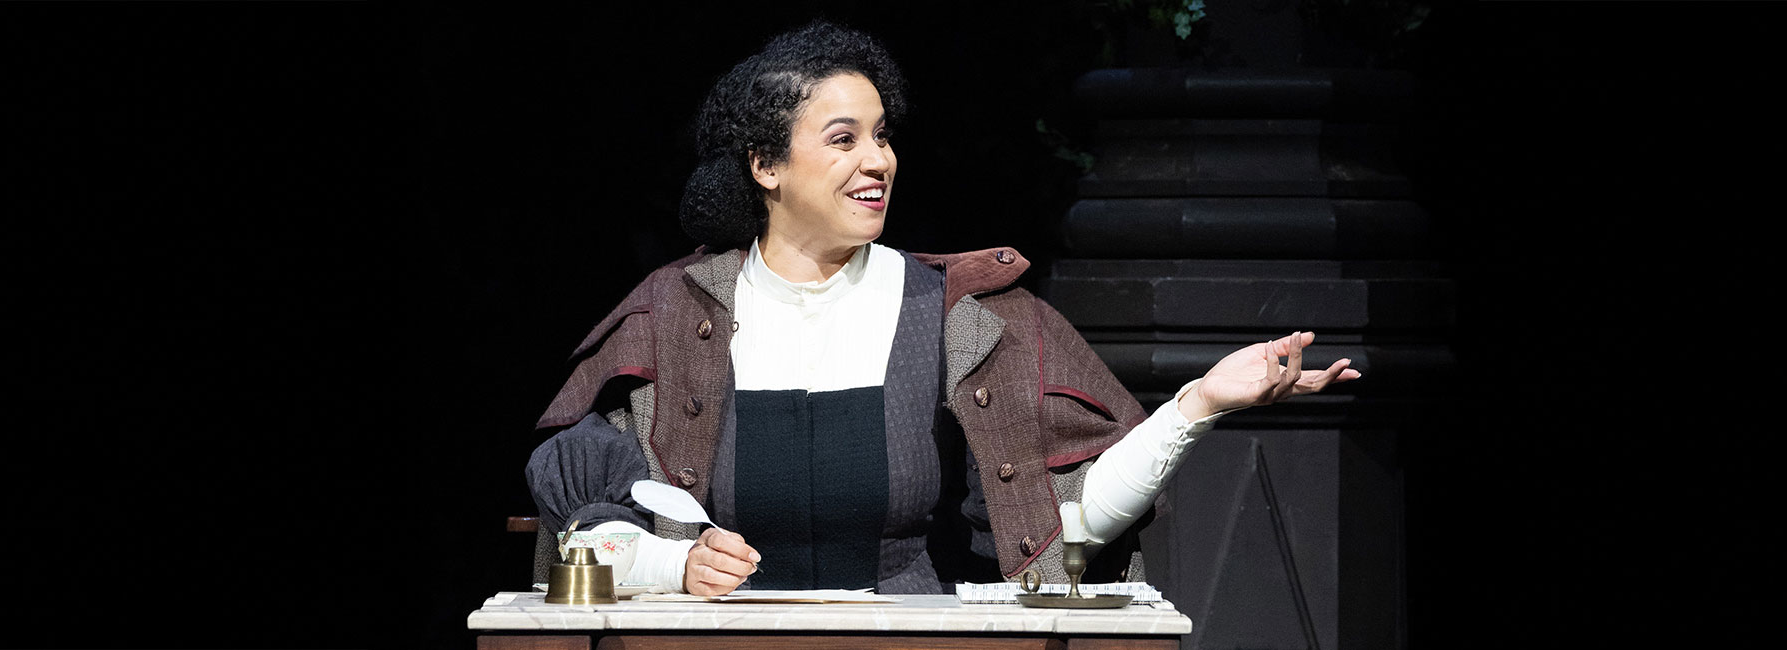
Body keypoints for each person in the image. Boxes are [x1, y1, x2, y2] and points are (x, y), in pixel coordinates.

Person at [524, 21, 1359, 596]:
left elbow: (1058, 530)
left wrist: (1198, 406)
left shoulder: (957, 312)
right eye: (844, 138)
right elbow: (580, 513)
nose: (877, 160)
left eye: (883, 136)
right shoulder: (676, 313)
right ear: (766, 166)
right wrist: (674, 570)